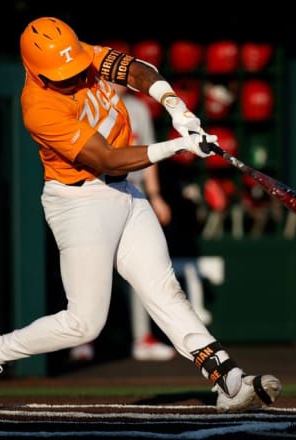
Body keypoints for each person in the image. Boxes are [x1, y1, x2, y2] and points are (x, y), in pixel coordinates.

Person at [0, 16, 281, 413]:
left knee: (164, 288)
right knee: (84, 323)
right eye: (62, 74)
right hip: (79, 203)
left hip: (125, 193)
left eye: (74, 68)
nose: (73, 77)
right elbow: (106, 157)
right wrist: (176, 147)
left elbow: (140, 71)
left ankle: (227, 378)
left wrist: (176, 108)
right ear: (35, 71)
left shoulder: (78, 55)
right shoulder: (39, 108)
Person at [69, 81, 176, 363]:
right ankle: (83, 340)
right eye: (114, 75)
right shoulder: (87, 102)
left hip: (132, 193)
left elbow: (148, 155)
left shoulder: (138, 108)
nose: (121, 81)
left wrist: (156, 196)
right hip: (97, 193)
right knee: (91, 270)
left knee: (143, 269)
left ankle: (143, 338)